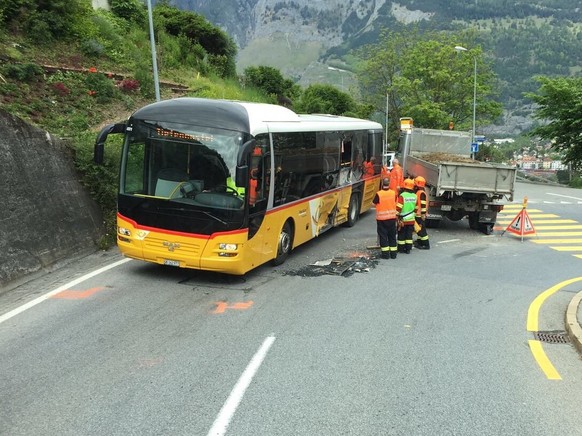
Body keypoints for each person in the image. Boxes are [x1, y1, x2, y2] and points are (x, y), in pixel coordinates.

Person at [373, 177, 398, 259]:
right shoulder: (393, 193)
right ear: (389, 184)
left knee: (383, 237)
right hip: (392, 218)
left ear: (382, 184)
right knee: (392, 236)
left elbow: (374, 203)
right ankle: (393, 254)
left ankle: (385, 255)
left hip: (382, 219)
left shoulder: (379, 194)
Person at [396, 178, 418, 254]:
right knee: (409, 235)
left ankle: (401, 249)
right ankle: (408, 249)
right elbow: (416, 207)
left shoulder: (402, 195)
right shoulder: (415, 196)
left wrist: (396, 215)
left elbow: (399, 207)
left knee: (401, 234)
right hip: (411, 219)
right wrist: (413, 215)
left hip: (403, 219)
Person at [413, 176, 430, 249]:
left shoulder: (420, 193)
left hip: (420, 215)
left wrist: (423, 214)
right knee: (419, 229)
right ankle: (420, 242)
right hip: (418, 214)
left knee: (421, 230)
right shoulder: (420, 192)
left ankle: (426, 245)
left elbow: (423, 204)